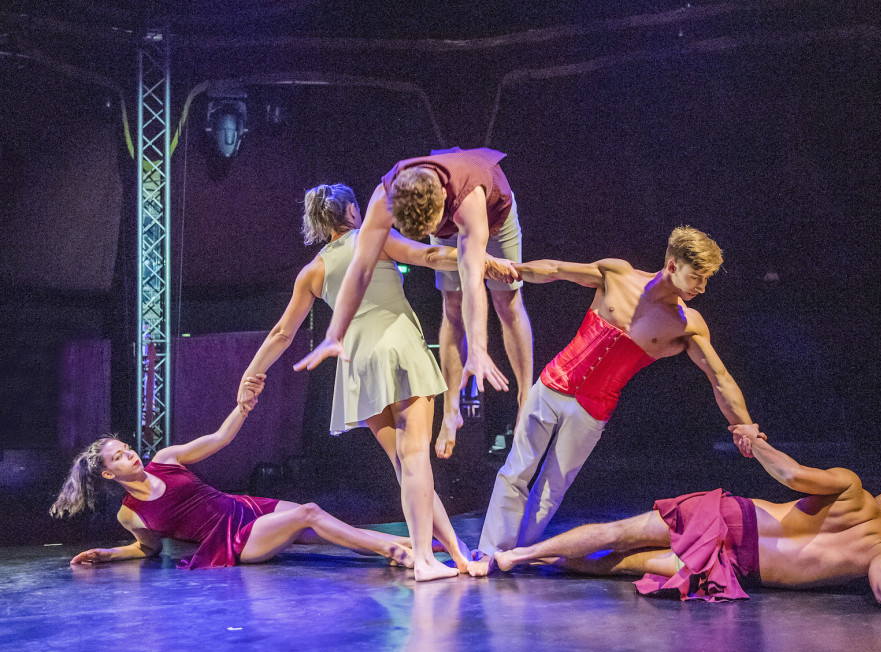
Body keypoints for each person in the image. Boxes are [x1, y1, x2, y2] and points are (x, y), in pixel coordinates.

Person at [237, 183, 516, 581]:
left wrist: (252, 372)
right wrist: (479, 261)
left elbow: (282, 332)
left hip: (358, 365)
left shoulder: (312, 270)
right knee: (416, 460)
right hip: (396, 348)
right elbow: (431, 254)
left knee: (408, 470)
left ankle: (455, 553)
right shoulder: (376, 238)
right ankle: (423, 559)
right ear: (352, 211)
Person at [468, 225, 760, 575]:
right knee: (516, 470)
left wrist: (742, 424)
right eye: (696, 276)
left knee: (551, 489)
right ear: (671, 265)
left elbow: (720, 378)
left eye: (706, 279)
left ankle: (517, 553)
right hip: (552, 385)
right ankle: (489, 551)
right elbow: (557, 269)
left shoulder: (687, 324)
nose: (701, 287)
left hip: (592, 411)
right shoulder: (617, 273)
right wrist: (511, 270)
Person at [494, 423, 881, 607]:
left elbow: (794, 475)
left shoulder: (853, 488)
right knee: (625, 566)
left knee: (618, 534)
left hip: (733, 521)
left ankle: (520, 556)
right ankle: (534, 563)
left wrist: (757, 445)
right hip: (738, 568)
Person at [296, 148, 533, 459]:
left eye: (432, 228)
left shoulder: (468, 202)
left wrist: (478, 348)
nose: (433, 235)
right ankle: (452, 410)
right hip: (447, 210)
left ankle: (525, 398)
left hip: (494, 214)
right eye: (428, 232)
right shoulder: (385, 196)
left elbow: (474, 279)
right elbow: (360, 268)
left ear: (440, 209)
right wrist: (334, 334)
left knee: (506, 300)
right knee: (451, 303)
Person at [50, 377, 417, 570]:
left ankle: (427, 547)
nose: (129, 453)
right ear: (108, 475)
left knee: (324, 531)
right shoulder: (129, 512)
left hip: (246, 508)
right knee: (309, 513)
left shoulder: (166, 458)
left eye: (126, 448)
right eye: (119, 457)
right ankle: (394, 551)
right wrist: (110, 555)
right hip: (233, 541)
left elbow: (221, 438)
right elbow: (149, 548)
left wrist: (243, 406)